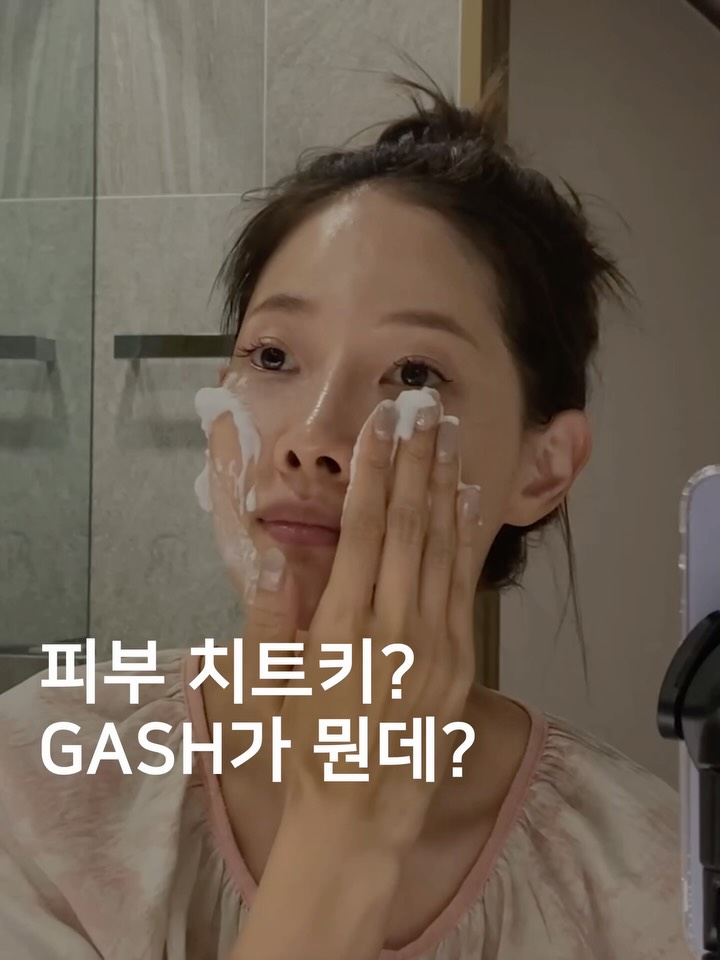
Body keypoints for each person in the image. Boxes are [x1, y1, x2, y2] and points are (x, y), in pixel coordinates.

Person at [0, 77, 692, 960]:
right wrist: (345, 834)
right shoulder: (41, 778)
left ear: (543, 466)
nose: (313, 440)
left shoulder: (650, 879)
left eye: (414, 375)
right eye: (273, 355)